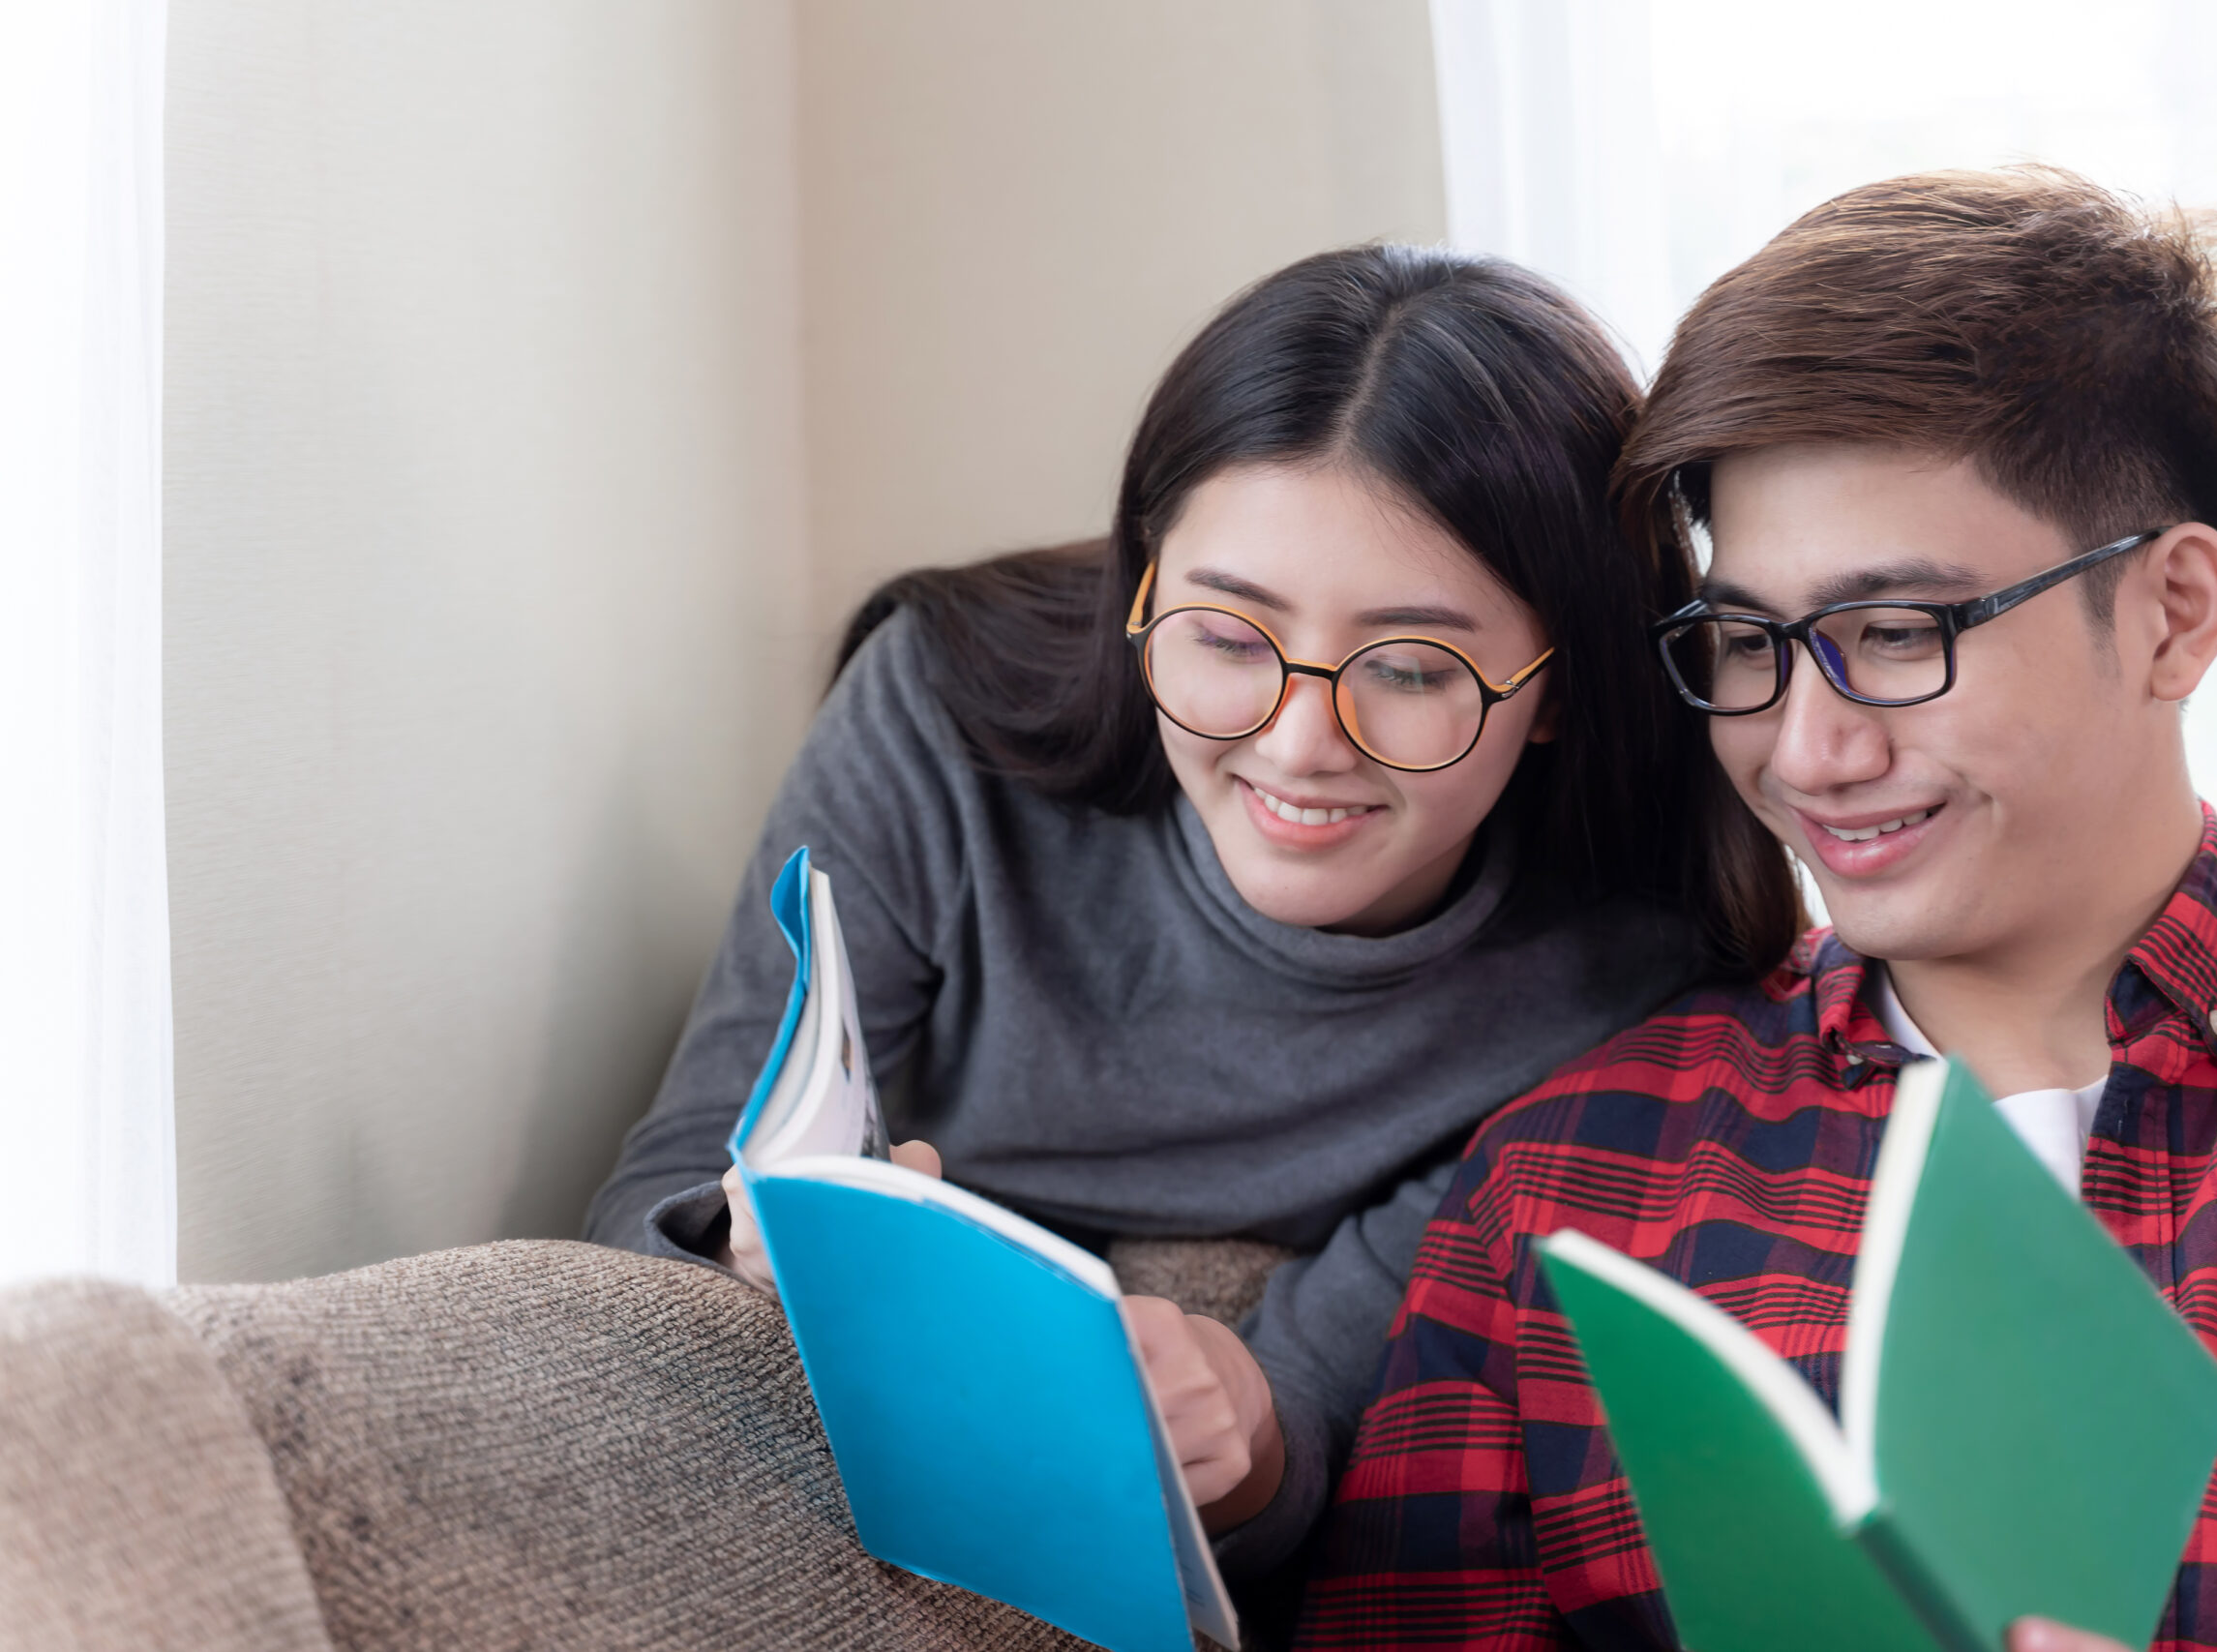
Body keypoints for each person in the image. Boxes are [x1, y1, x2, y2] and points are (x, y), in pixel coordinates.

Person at [1296, 169, 2217, 1652]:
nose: (1804, 752)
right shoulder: (1564, 1189)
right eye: (1747, 644)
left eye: (1896, 632)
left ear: (2174, 613)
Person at [584, 243, 1799, 1577]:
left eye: (1407, 667)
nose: (1298, 741)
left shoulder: (1618, 974)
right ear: (1145, 589)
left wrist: (1241, 1437)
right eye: (1225, 638)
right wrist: (745, 1240)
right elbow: (659, 1195)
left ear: (1561, 689)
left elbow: (1308, 1446)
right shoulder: (941, 710)